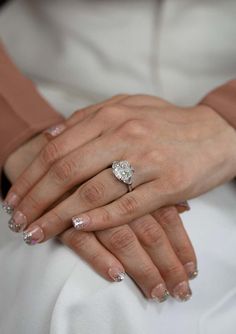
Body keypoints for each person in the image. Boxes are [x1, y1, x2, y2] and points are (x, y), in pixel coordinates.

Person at [0, 1, 236, 333]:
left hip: (220, 148)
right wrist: (21, 129)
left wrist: (225, 123)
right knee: (81, 289)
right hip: (41, 96)